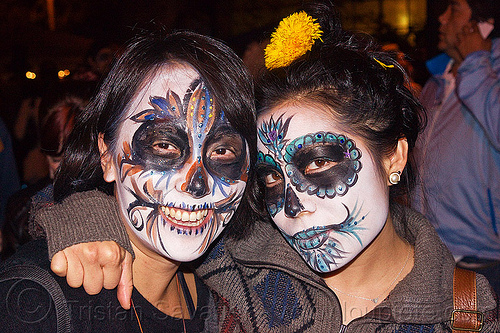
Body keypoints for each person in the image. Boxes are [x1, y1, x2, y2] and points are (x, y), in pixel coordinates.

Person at [15, 2, 500, 332]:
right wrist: (91, 223)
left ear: (393, 156)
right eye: (270, 176)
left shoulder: (467, 311)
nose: (292, 206)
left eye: (318, 162)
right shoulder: (240, 259)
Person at [0, 29, 256, 332]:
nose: (196, 183)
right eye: (164, 146)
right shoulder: (33, 301)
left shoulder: (222, 295)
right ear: (106, 156)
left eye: (223, 150)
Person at [412, 0, 500, 297]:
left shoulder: (492, 74)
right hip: (432, 256)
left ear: (481, 21)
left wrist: (476, 59)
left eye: (454, 8)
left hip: (485, 262)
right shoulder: (436, 81)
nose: (441, 17)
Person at [2, 84, 87, 259]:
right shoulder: (23, 209)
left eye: (74, 159)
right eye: (54, 159)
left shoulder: (121, 203)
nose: (62, 170)